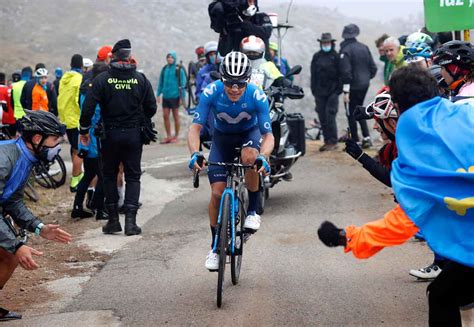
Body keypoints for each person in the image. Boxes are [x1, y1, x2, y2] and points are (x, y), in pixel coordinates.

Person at [318, 66, 474, 326]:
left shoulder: (413, 161)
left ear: (397, 111)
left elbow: (402, 222)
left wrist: (348, 237)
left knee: (441, 296)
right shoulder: (466, 111)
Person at [188, 51, 274, 270]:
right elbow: (195, 128)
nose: (234, 89)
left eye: (239, 84)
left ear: (247, 80)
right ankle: (215, 247)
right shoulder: (211, 91)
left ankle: (253, 211)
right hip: (222, 139)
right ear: (222, 79)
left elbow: (268, 136)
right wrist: (195, 153)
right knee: (217, 193)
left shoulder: (256, 95)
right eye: (229, 83)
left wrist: (264, 157)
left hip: (249, 135)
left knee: (250, 158)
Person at [0, 110, 72, 321]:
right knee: (12, 249)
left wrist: (40, 228)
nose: (57, 147)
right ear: (37, 139)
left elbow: (12, 201)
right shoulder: (5, 159)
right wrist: (16, 245)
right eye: (54, 140)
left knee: (9, 254)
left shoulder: (26, 158)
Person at [80, 39, 157, 236]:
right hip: (133, 135)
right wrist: (140, 116)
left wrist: (83, 131)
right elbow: (152, 108)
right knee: (133, 176)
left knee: (109, 175)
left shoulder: (102, 79)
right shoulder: (140, 79)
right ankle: (131, 223)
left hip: (110, 135)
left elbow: (88, 108)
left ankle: (113, 220)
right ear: (129, 57)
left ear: (113, 56)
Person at [71, 63, 109, 220]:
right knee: (102, 173)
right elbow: (96, 114)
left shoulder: (85, 87)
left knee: (90, 173)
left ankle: (78, 206)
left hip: (85, 135)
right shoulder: (96, 90)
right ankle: (100, 209)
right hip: (95, 137)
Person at [339, 23, 377, 148]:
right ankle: (366, 137)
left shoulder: (345, 50)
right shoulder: (364, 47)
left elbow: (346, 72)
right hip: (364, 84)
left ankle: (356, 140)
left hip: (351, 86)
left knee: (350, 112)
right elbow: (373, 68)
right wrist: (366, 79)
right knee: (360, 109)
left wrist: (346, 91)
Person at [208, 0, 272, 60]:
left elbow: (266, 33)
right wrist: (225, 29)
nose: (252, 4)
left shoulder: (261, 17)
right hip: (240, 65)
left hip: (262, 62)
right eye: (249, 1)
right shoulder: (233, 22)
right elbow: (223, 52)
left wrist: (244, 24)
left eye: (253, 1)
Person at [57, 54, 84, 193]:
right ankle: (75, 181)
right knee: (79, 150)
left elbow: (61, 98)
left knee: (74, 148)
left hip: (66, 119)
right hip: (76, 119)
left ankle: (78, 174)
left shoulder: (64, 79)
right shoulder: (79, 79)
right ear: (81, 65)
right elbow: (77, 100)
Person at [310, 32, 341, 151]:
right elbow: (313, 75)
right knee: (322, 116)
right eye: (324, 43)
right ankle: (327, 140)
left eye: (327, 42)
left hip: (333, 92)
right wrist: (314, 90)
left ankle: (333, 141)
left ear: (332, 43)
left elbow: (341, 75)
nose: (325, 44)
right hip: (319, 92)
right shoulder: (316, 56)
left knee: (330, 116)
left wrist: (337, 91)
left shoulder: (336, 56)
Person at [156, 51, 187, 144]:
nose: (170, 59)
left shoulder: (179, 69)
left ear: (174, 58)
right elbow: (160, 82)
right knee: (165, 116)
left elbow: (183, 84)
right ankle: (168, 136)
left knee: (175, 116)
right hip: (166, 96)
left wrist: (182, 98)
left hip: (175, 96)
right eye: (168, 57)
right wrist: (158, 94)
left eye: (171, 57)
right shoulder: (165, 69)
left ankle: (176, 137)